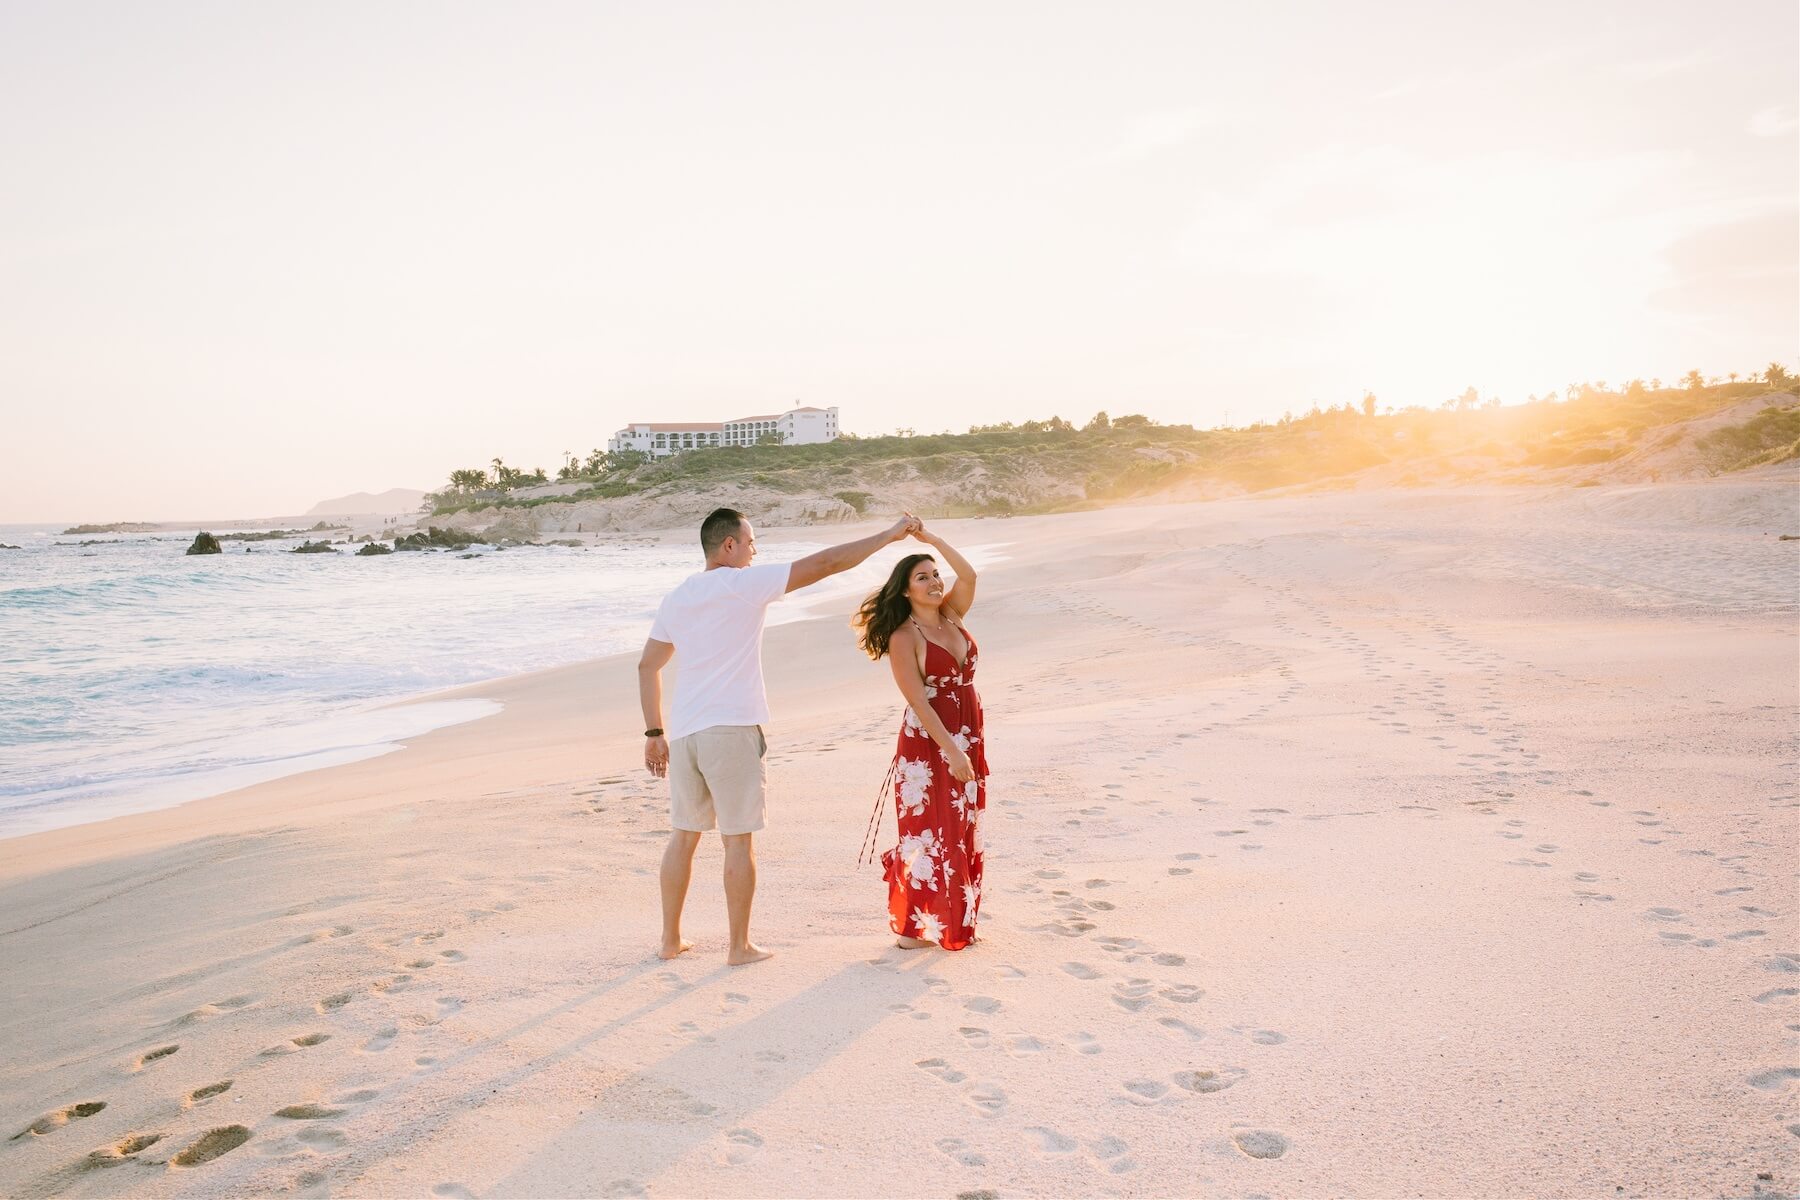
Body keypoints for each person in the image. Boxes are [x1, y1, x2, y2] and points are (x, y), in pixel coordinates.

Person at [639, 507, 920, 965]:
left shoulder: (677, 597)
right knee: (738, 840)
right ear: (728, 545)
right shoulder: (742, 584)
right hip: (730, 729)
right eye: (750, 543)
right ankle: (739, 947)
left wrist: (655, 732)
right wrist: (888, 536)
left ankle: (670, 941)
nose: (754, 553)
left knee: (683, 836)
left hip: (687, 731)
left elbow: (648, 666)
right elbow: (826, 564)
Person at [853, 523, 985, 950]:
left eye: (934, 574)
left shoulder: (951, 614)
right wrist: (953, 753)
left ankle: (954, 921)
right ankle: (915, 927)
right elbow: (918, 702)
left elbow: (970, 577)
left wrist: (933, 542)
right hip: (929, 745)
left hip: (968, 730)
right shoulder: (903, 637)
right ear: (906, 591)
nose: (934, 582)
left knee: (963, 826)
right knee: (928, 831)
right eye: (922, 577)